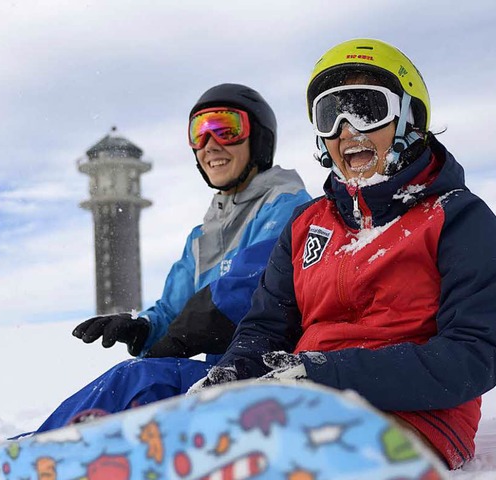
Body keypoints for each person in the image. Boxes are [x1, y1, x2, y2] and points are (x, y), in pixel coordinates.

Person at [189, 39, 496, 470]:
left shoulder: (456, 218)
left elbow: (474, 356)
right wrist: (235, 370)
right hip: (301, 401)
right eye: (331, 114)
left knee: (294, 461)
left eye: (367, 109)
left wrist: (327, 373)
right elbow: (266, 327)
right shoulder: (307, 225)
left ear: (410, 119)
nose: (347, 129)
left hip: (417, 416)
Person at [33, 83, 311, 432]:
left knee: (141, 381)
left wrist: (185, 332)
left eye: (226, 128)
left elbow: (252, 288)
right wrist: (145, 328)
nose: (211, 145)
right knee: (134, 399)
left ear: (258, 140)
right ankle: (29, 448)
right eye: (200, 133)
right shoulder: (203, 235)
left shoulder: (288, 207)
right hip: (224, 378)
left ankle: (35, 455)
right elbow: (173, 310)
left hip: (271, 374)